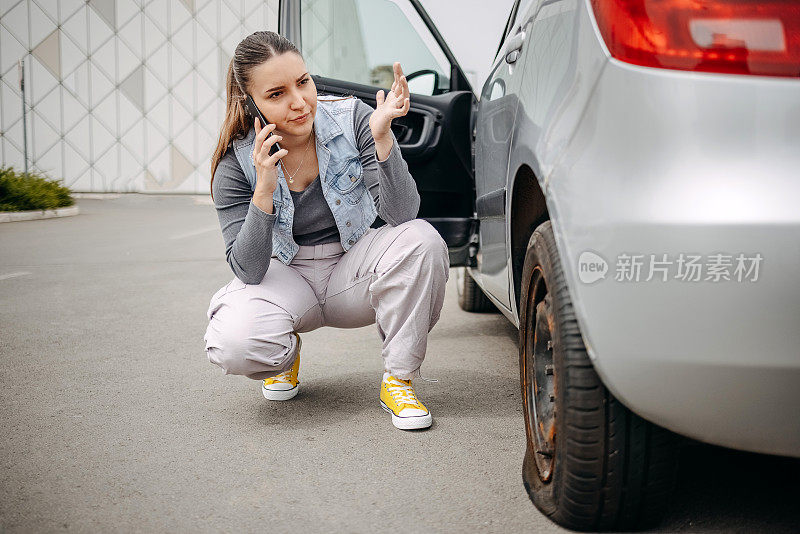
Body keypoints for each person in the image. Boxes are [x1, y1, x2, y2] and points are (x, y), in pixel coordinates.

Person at [203, 31, 449, 430]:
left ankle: (399, 379)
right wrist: (263, 188)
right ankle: (284, 355)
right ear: (250, 103)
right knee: (235, 342)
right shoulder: (235, 163)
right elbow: (248, 270)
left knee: (423, 241)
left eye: (303, 82)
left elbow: (403, 215)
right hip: (285, 277)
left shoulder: (353, 119)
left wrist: (384, 139)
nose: (299, 103)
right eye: (276, 94)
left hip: (352, 267)